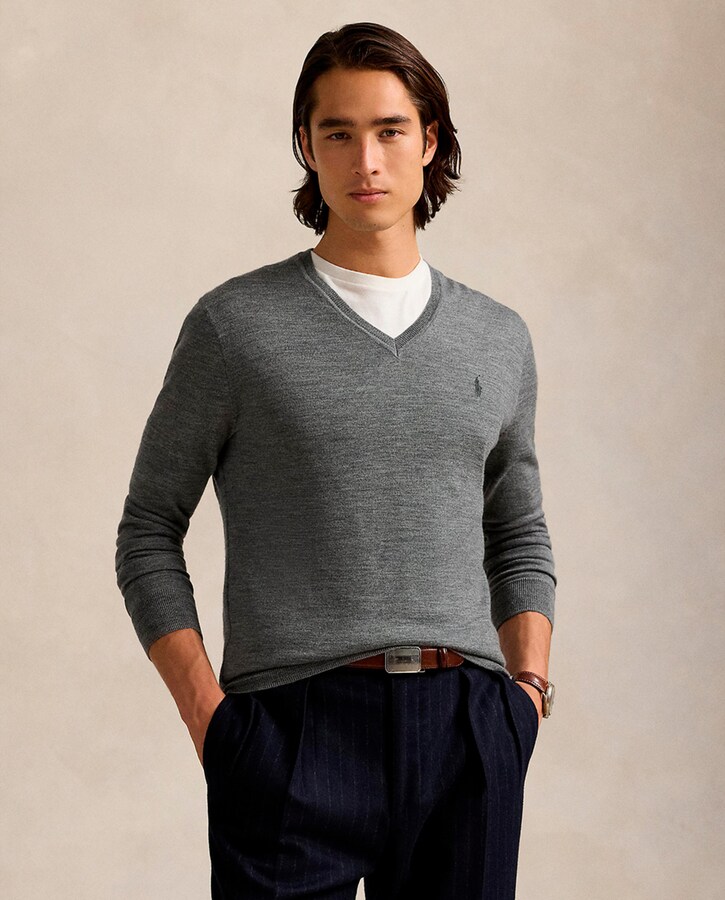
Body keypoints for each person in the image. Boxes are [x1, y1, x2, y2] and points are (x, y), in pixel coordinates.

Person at [115, 21, 557, 900]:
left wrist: (527, 697)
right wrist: (211, 721)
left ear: (429, 142)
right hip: (290, 728)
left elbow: (518, 533)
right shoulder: (235, 328)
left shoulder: (497, 337)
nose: (367, 160)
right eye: (338, 133)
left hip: (467, 730)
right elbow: (148, 531)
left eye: (390, 130)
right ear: (306, 148)